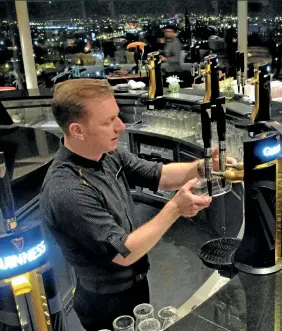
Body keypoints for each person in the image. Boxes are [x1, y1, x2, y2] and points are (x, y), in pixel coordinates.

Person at [40, 79, 228, 331]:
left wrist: (204, 167)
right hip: (105, 302)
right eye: (108, 122)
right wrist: (175, 209)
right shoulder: (66, 191)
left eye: (117, 116)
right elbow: (124, 252)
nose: (121, 126)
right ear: (77, 130)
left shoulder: (106, 156)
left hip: (136, 284)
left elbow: (157, 174)